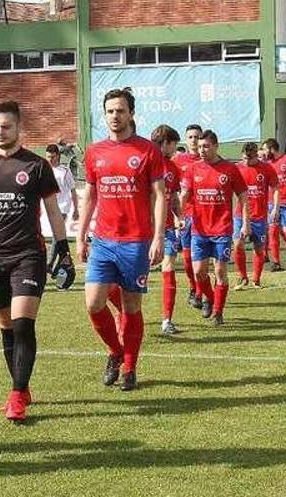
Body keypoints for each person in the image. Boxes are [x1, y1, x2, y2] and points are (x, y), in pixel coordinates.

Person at [0, 100, 68, 422]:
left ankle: (17, 396)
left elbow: (52, 210)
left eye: (6, 126)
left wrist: (63, 246)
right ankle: (22, 385)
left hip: (28, 255)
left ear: (19, 128)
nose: (0, 132)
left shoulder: (36, 166)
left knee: (22, 324)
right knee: (5, 325)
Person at [75, 89, 167, 392]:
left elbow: (159, 195)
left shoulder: (147, 151)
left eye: (120, 111)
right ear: (105, 115)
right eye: (110, 111)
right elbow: (90, 196)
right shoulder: (94, 152)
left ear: (131, 114)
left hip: (136, 241)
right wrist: (81, 235)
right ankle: (115, 352)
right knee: (93, 303)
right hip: (102, 240)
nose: (115, 116)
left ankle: (130, 367)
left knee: (130, 307)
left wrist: (157, 238)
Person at [182, 130, 248, 327]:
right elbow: (184, 194)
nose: (201, 150)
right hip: (199, 230)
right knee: (199, 272)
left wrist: (245, 222)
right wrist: (179, 215)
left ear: (216, 146)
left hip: (222, 229)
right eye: (200, 146)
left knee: (220, 271)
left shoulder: (229, 169)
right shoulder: (193, 169)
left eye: (206, 146)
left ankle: (218, 312)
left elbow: (243, 196)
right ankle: (209, 299)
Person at [148, 125, 184, 336]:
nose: (174, 150)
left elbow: (174, 198)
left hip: (167, 228)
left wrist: (179, 216)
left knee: (168, 267)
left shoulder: (172, 168)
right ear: (166, 142)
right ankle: (125, 317)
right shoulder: (144, 162)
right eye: (174, 144)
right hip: (143, 230)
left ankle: (166, 320)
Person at [234, 142, 278, 289]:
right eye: (244, 158)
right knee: (237, 244)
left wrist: (275, 208)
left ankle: (256, 279)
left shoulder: (266, 168)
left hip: (259, 216)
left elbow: (275, 187)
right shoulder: (237, 168)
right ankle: (242, 276)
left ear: (255, 156)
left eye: (250, 159)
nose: (247, 161)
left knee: (259, 249)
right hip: (240, 215)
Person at [174, 124, 205, 311]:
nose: (194, 140)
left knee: (201, 259)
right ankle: (194, 288)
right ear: (186, 140)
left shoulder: (208, 159)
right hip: (185, 215)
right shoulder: (179, 161)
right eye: (191, 137)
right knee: (186, 259)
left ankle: (201, 293)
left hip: (204, 217)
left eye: (197, 137)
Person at [44, 143, 80, 268]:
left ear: (58, 156)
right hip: (49, 207)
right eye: (48, 157)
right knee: (59, 235)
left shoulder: (65, 171)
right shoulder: (44, 170)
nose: (50, 160)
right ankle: (63, 259)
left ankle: (49, 263)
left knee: (55, 234)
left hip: (63, 207)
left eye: (52, 157)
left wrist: (76, 209)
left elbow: (73, 190)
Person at [260, 138, 286, 271]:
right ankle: (276, 262)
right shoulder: (267, 165)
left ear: (272, 149)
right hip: (272, 203)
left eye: (265, 149)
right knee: (272, 232)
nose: (264, 153)